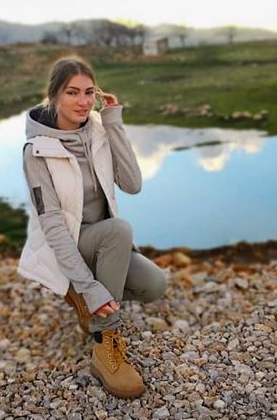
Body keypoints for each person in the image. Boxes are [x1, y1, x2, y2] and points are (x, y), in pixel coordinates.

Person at [17, 56, 168, 398]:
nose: (83, 102)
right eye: (72, 93)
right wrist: (89, 285)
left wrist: (114, 122)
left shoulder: (98, 129)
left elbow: (133, 183)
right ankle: (106, 344)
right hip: (69, 247)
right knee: (118, 229)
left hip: (105, 244)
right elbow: (53, 225)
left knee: (155, 285)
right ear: (54, 96)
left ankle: (89, 298)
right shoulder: (36, 151)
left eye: (88, 92)